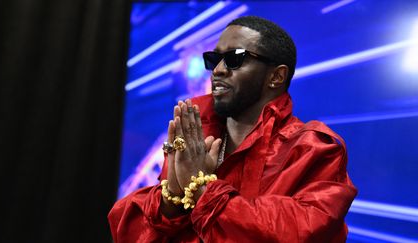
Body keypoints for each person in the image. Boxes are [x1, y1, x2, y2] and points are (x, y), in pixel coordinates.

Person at [108, 15, 357, 243]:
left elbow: (296, 232)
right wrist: (171, 197)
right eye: (214, 59)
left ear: (276, 77)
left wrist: (201, 190)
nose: (217, 70)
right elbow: (131, 232)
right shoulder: (196, 138)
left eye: (235, 58)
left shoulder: (312, 148)